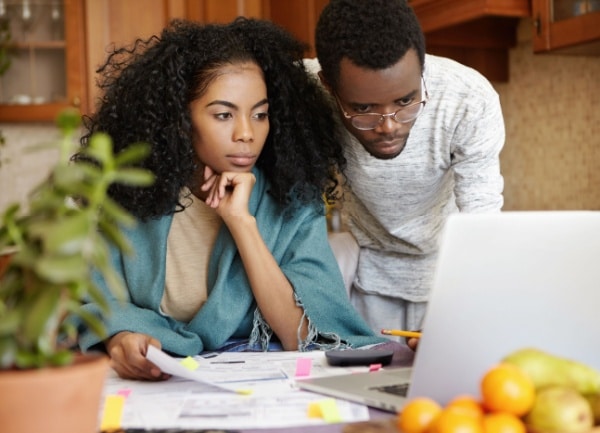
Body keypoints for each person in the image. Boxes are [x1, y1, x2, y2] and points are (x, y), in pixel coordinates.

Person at [76, 18, 387, 380]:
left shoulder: (293, 199)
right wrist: (122, 339)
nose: (247, 134)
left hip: (266, 387)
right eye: (224, 115)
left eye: (260, 115)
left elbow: (305, 336)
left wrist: (241, 223)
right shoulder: (129, 197)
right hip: (157, 387)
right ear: (179, 120)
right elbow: (97, 307)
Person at [308, 0, 505, 348]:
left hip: (451, 276)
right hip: (362, 282)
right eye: (363, 109)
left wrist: (459, 307)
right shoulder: (304, 89)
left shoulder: (468, 99)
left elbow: (482, 223)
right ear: (328, 85)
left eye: (405, 101)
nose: (388, 127)